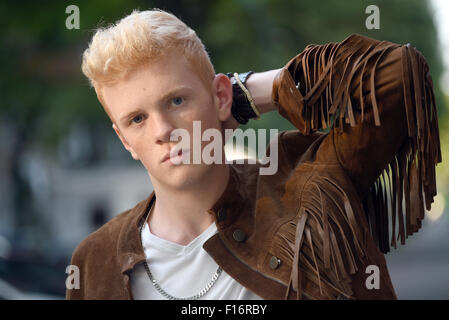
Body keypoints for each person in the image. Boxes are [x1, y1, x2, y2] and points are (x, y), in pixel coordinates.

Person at [66, 8, 441, 300]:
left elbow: (399, 76)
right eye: (137, 119)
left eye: (177, 100)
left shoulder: (302, 180)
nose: (163, 131)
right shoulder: (95, 261)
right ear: (124, 140)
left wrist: (247, 96)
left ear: (220, 96)